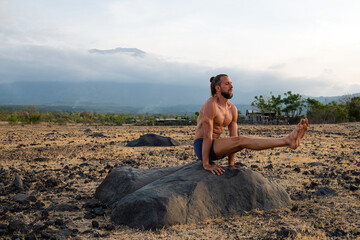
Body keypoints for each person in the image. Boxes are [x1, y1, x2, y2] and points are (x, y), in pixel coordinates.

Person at [194, 74, 309, 175]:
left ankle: (288, 142)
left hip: (217, 147)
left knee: (244, 139)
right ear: (218, 88)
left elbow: (233, 138)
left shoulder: (232, 109)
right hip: (202, 146)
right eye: (227, 84)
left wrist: (231, 164)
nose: (231, 86)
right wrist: (206, 164)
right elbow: (207, 136)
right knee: (243, 139)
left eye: (231, 83)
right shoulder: (211, 105)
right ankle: (287, 141)